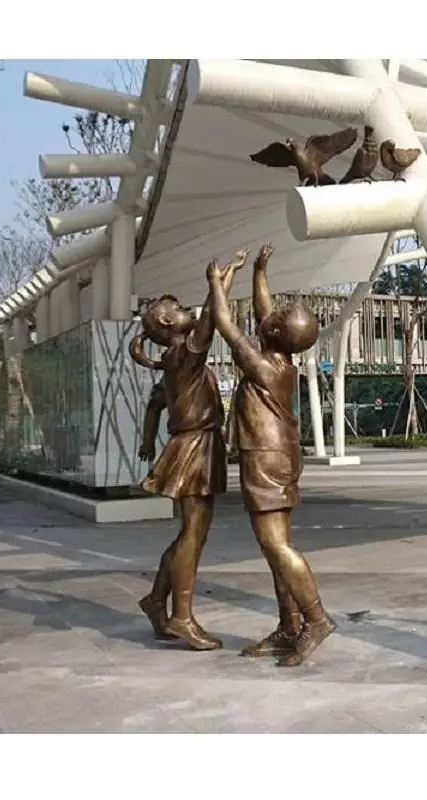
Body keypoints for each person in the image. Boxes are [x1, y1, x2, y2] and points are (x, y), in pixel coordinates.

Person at [207, 243, 335, 668]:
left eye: (277, 317)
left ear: (276, 334)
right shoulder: (280, 360)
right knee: (275, 545)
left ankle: (315, 619)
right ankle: (288, 625)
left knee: (276, 544)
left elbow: (224, 323)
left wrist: (216, 283)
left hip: (267, 458)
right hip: (274, 455)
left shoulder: (263, 366)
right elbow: (265, 314)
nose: (270, 313)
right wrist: (260, 272)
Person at [130, 250, 244, 650]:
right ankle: (181, 616)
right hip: (194, 445)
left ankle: (156, 600)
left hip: (197, 444)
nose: (185, 311)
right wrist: (217, 281)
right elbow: (213, 318)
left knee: (190, 532)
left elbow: (154, 406)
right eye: (177, 309)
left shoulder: (173, 362)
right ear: (166, 322)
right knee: (193, 534)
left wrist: (225, 280)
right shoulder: (184, 354)